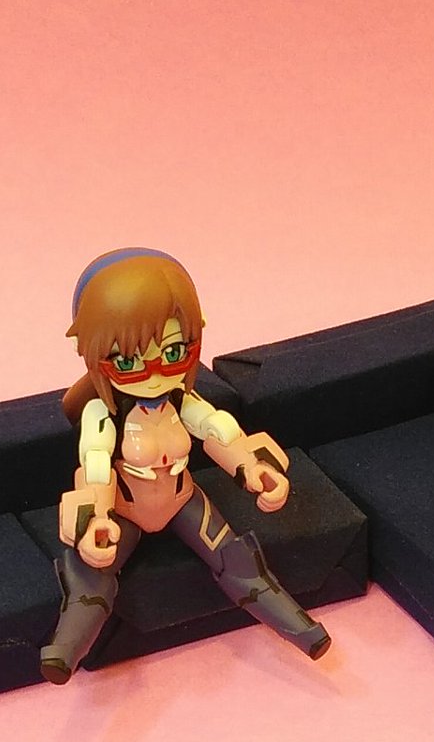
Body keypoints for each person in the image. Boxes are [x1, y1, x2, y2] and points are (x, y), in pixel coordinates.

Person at [39, 248, 331, 684]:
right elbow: (95, 464)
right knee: (93, 575)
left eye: (174, 352)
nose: (155, 373)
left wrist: (253, 470)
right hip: (125, 510)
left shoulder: (182, 399)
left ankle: (301, 630)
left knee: (237, 560)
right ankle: (65, 649)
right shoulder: (104, 413)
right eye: (128, 362)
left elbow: (219, 432)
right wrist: (96, 519)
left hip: (181, 500)